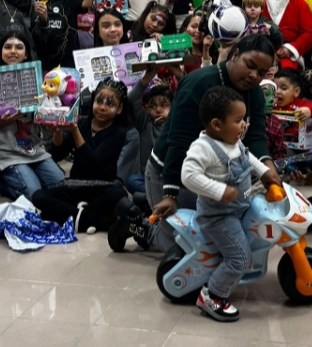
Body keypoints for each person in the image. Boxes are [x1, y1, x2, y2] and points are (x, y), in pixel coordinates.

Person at [140, 34, 281, 253]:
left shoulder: (255, 94)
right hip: (171, 170)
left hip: (212, 175)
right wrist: (170, 194)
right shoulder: (197, 85)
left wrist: (267, 167)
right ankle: (137, 225)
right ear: (235, 54)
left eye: (262, 73)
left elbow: (254, 137)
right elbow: (178, 144)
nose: (254, 76)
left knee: (209, 244)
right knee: (180, 247)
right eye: (250, 66)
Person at [182, 86, 272, 322]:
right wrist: (219, 190)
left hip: (240, 206)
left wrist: (264, 172)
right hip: (218, 217)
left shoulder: (232, 140)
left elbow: (246, 156)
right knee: (240, 258)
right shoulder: (204, 148)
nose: (244, 125)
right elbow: (188, 175)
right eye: (239, 120)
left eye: (244, 119)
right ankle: (212, 296)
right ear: (216, 125)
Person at [32, 80, 129, 233]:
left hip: (102, 188)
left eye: (110, 104)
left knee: (118, 195)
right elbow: (57, 155)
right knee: (38, 196)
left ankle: (72, 215)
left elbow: (94, 161)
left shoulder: (118, 132)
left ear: (119, 108)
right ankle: (92, 220)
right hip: (76, 187)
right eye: (98, 101)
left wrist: (74, 131)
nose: (102, 107)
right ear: (92, 101)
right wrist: (57, 131)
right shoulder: (83, 124)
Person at [0, 33, 65, 201]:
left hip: (34, 150)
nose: (13, 51)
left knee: (60, 185)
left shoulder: (38, 82)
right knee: (34, 195)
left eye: (19, 47)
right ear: (0, 52)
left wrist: (52, 118)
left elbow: (46, 113)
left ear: (26, 54)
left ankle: (20, 176)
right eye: (8, 47)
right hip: (7, 153)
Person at [118, 69, 173, 199]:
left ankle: (153, 197)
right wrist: (146, 79)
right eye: (153, 106)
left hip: (170, 178)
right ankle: (159, 196)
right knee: (131, 181)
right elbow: (131, 99)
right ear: (147, 109)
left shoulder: (175, 124)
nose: (158, 110)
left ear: (173, 107)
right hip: (147, 178)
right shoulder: (145, 123)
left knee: (139, 197)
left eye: (164, 106)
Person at [33, 0, 95, 71]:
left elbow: (87, 3)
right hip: (44, 66)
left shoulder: (68, 1)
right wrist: (43, 21)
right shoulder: (33, 6)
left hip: (69, 64)